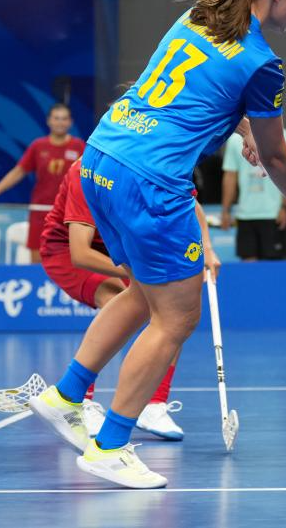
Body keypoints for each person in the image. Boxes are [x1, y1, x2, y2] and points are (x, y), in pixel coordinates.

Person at [28, 0, 286, 489]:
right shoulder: (262, 62)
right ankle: (109, 446)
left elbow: (193, 93)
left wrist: (241, 127)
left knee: (143, 294)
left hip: (101, 158)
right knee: (176, 318)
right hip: (152, 183)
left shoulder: (198, 15)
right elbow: (278, 156)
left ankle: (65, 395)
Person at [40, 159, 218, 440]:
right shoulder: (86, 170)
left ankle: (153, 404)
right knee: (115, 296)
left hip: (120, 246)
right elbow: (80, 253)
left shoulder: (154, 160)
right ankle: (79, 401)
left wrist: (206, 246)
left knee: (171, 307)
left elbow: (190, 204)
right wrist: (140, 273)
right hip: (67, 252)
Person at [0, 103, 85, 263]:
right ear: (49, 121)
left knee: (70, 261)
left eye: (64, 119)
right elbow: (17, 172)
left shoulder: (79, 146)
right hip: (40, 213)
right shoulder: (38, 146)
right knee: (38, 261)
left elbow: (89, 177)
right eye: (56, 118)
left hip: (69, 213)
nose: (60, 122)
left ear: (70, 122)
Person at [222, 128, 286, 260]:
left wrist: (284, 207)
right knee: (248, 265)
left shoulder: (282, 135)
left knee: (272, 266)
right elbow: (230, 176)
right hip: (245, 214)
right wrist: (225, 211)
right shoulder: (234, 140)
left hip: (273, 214)